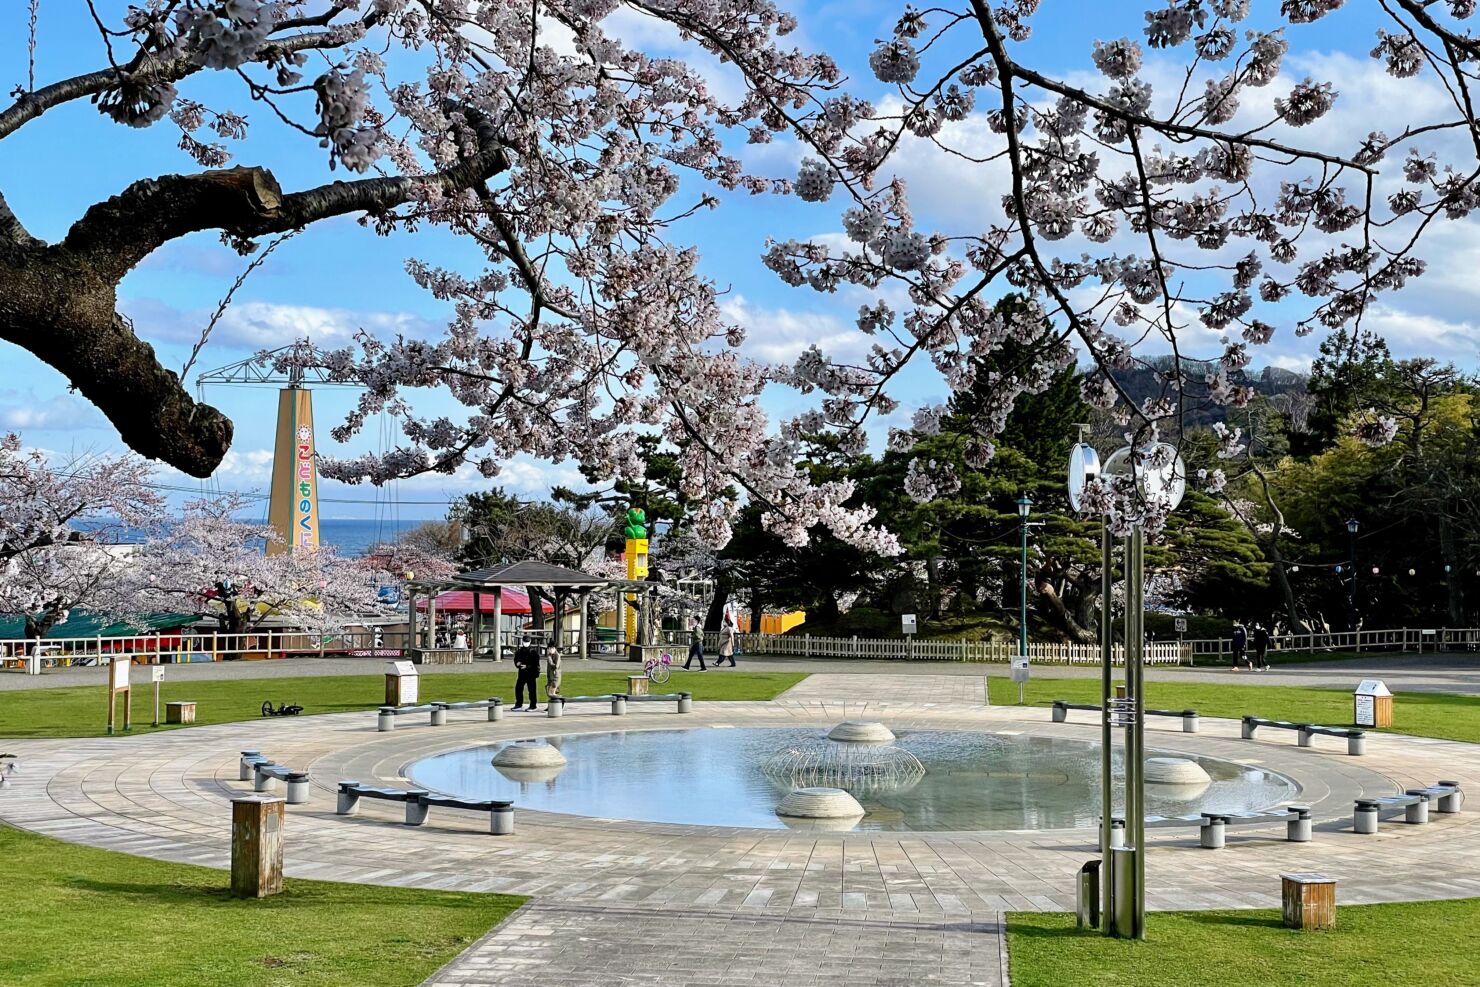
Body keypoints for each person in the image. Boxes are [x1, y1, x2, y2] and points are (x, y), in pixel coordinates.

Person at [512, 636, 542, 711]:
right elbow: (516, 659)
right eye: (524, 642)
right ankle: (519, 704)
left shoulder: (533, 652)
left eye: (527, 642)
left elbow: (536, 664)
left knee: (532, 690)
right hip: (522, 673)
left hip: (531, 674)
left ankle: (533, 705)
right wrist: (517, 664)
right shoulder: (520, 651)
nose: (525, 643)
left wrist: (527, 666)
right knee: (518, 688)